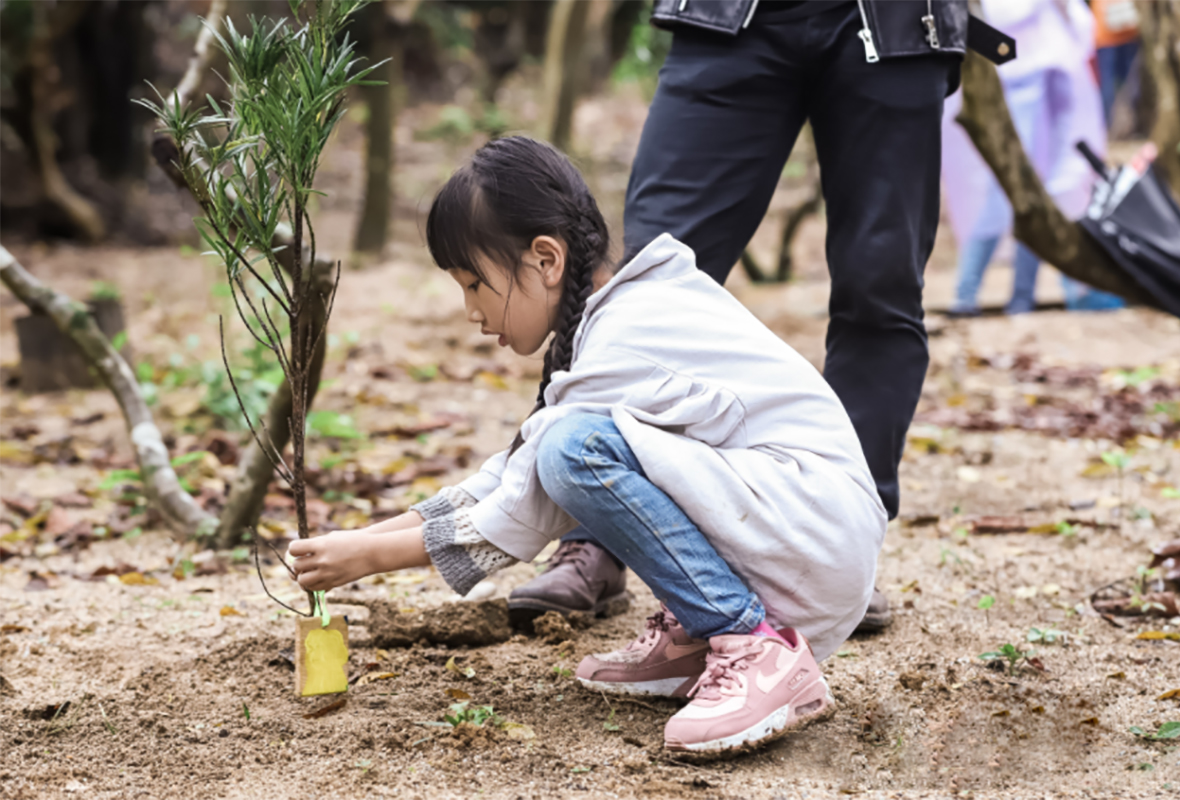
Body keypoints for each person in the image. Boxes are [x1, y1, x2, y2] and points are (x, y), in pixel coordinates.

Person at [289, 136, 887, 754]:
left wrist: (367, 562)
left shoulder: (627, 335)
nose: (469, 310)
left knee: (574, 451)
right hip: (800, 529)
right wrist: (356, 541)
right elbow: (511, 474)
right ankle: (698, 640)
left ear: (546, 259)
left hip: (814, 533)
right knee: (565, 445)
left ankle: (750, 646)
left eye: (474, 284)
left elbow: (527, 502)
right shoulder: (617, 318)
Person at [508, 0, 993, 635]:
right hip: (732, 16)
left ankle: (842, 545)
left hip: (897, 22)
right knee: (641, 282)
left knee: (881, 285)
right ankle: (592, 535)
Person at [944, 0, 1122, 315]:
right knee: (1007, 189)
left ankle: (1028, 296)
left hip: (1051, 74)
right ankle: (966, 293)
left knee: (1049, 187)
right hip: (1015, 76)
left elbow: (1081, 25)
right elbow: (1000, 15)